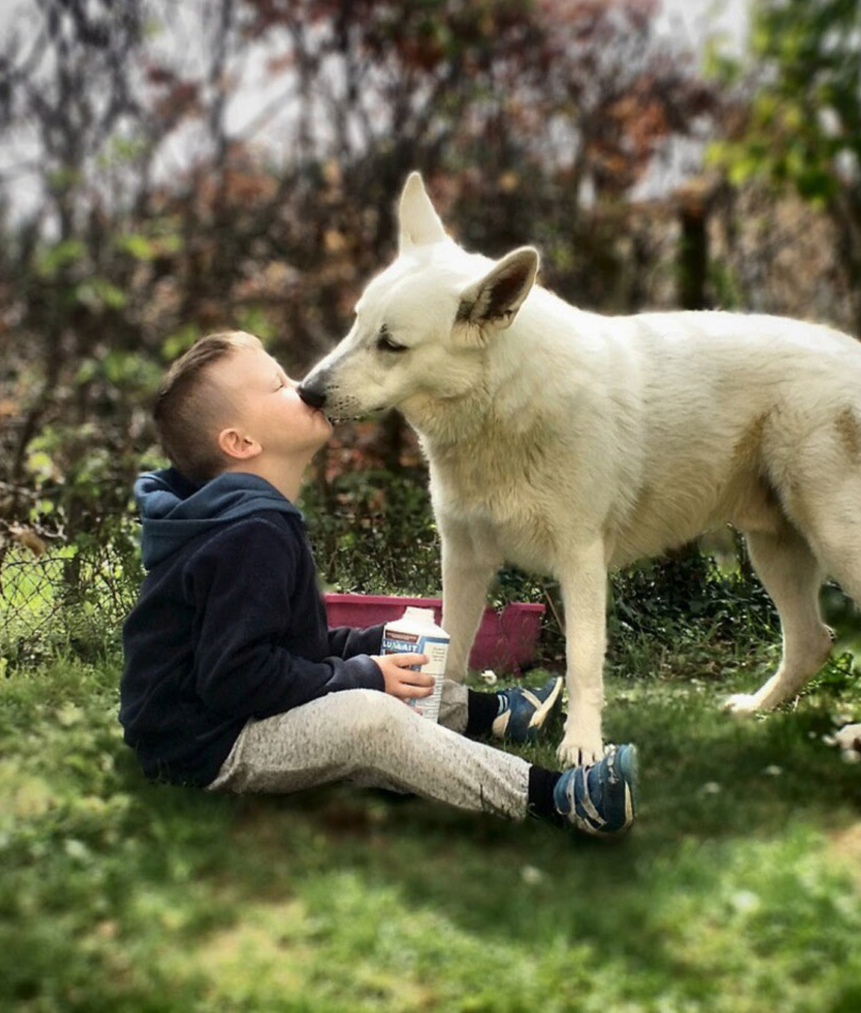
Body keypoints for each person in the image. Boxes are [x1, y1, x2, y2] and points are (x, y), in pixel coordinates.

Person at [118, 331, 637, 835]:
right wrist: (363, 675)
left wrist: (374, 645)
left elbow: (290, 645)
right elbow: (238, 679)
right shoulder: (249, 532)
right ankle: (562, 797)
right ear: (241, 442)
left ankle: (498, 714)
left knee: (393, 663)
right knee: (370, 720)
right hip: (206, 744)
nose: (302, 387)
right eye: (278, 385)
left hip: (222, 718)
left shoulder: (246, 517)